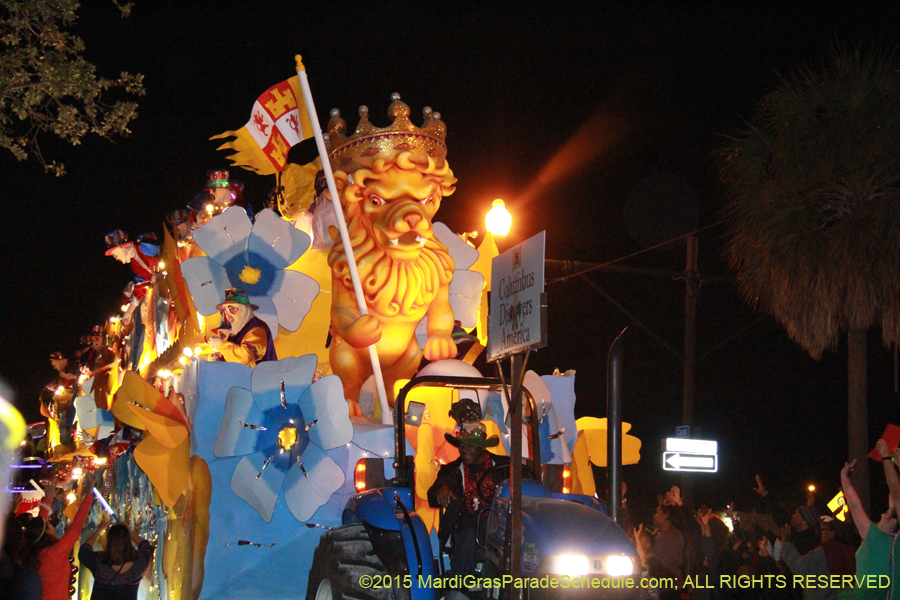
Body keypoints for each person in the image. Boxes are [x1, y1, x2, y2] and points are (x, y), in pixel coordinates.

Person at [427, 402, 509, 596]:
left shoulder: (504, 466)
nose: (464, 449)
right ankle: (459, 590)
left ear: (482, 447)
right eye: (462, 444)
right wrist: (443, 489)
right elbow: (434, 493)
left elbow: (526, 485)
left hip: (502, 526)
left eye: (471, 445)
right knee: (471, 530)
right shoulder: (452, 470)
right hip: (465, 528)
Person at [24, 488, 93, 600]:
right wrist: (89, 494)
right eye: (50, 524)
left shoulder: (30, 554)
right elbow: (76, 526)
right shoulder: (54, 553)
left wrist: (48, 499)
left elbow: (40, 527)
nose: (52, 525)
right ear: (47, 531)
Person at [79, 517, 154, 600]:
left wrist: (99, 531)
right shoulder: (139, 563)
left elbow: (84, 552)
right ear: (128, 541)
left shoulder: (99, 562)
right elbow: (146, 547)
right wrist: (129, 531)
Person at [207, 287, 277, 367]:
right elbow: (233, 358)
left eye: (232, 309)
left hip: (260, 378)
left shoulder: (257, 328)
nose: (228, 315)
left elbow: (246, 356)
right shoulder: (236, 331)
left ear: (244, 309)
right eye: (225, 311)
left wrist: (220, 345)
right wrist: (219, 359)